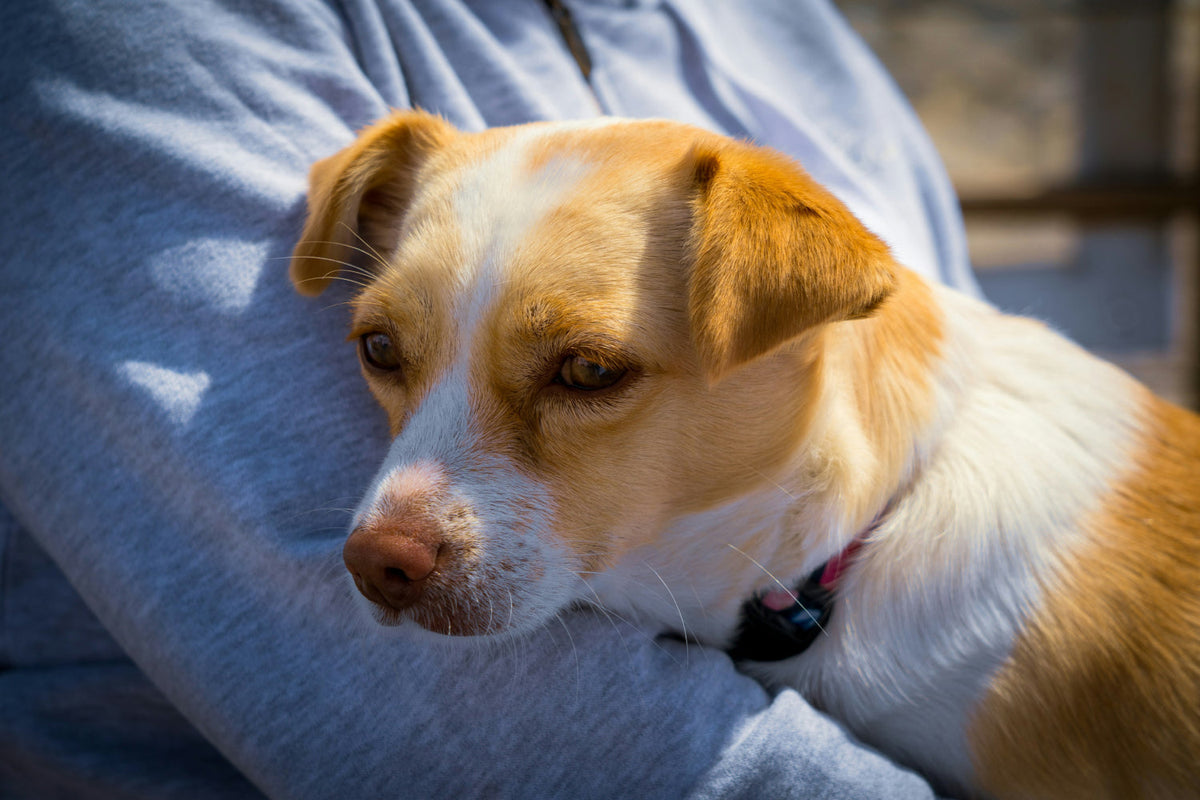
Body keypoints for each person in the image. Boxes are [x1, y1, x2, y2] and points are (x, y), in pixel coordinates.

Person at [0, 1, 975, 796]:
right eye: (382, 350)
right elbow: (409, 704)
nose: (389, 521)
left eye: (587, 369)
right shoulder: (132, 32)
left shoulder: (795, 31)